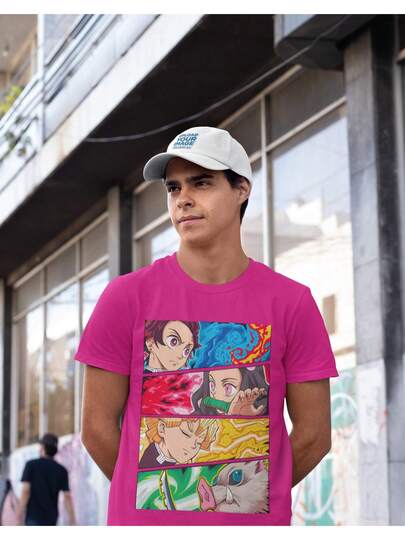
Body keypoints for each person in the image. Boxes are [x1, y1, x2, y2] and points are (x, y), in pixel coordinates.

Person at [74, 126, 339, 525]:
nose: (183, 198)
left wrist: (251, 497)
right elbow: (96, 429)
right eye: (174, 187)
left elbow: (315, 435)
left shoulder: (292, 303)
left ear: (241, 189)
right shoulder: (125, 298)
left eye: (201, 183)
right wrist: (155, 499)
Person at [17, 433, 76, 526]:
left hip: (33, 518)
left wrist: (18, 514)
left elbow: (25, 491)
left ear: (43, 448)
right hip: (51, 519)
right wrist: (72, 520)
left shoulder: (31, 465)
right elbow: (67, 496)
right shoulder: (61, 470)